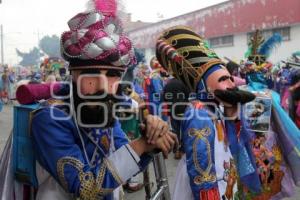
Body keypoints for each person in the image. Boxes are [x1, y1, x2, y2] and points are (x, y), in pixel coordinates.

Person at [0, 1, 178, 200]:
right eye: (91, 74)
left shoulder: (104, 110)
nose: (102, 85)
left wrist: (150, 138)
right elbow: (85, 187)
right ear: (74, 75)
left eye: (112, 74)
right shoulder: (49, 118)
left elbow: (122, 156)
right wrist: (142, 145)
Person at [155, 26, 270, 200]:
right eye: (223, 79)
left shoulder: (216, 106)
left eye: (230, 79)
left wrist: (233, 116)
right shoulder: (199, 114)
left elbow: (233, 144)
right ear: (204, 86)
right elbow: (202, 174)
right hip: (206, 188)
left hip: (224, 177)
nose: (231, 84)